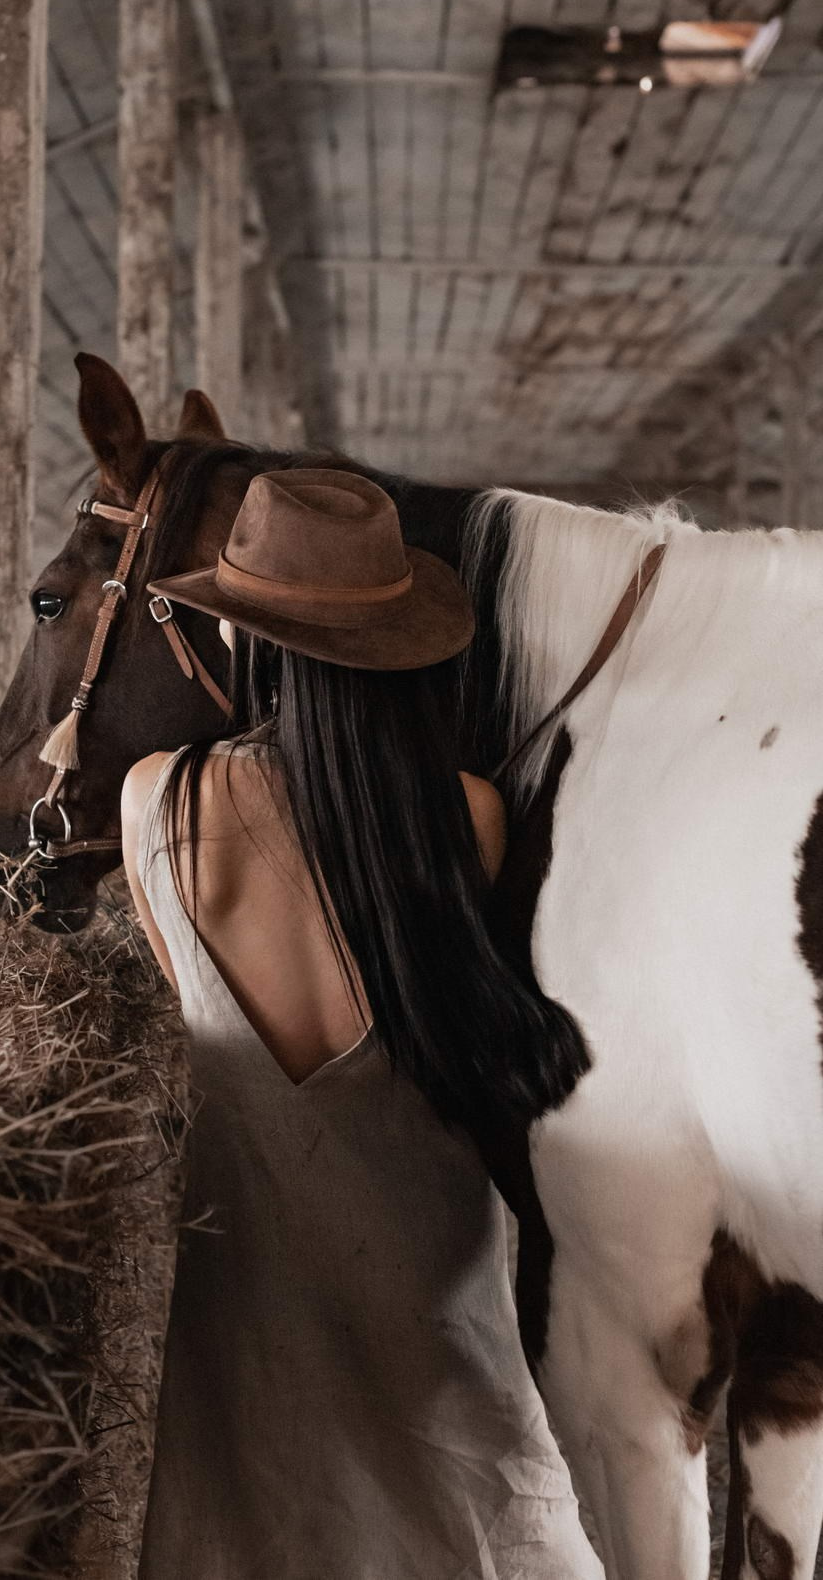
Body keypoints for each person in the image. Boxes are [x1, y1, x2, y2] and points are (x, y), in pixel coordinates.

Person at [121, 469, 600, 1579]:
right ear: (396, 647)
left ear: (252, 641)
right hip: (434, 1288)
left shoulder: (156, 800)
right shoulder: (469, 815)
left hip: (240, 1293)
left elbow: (185, 997)